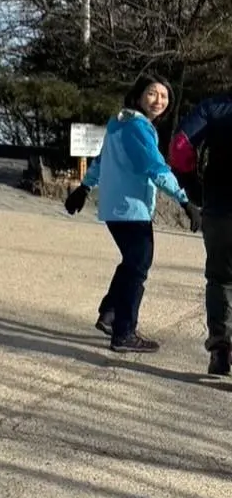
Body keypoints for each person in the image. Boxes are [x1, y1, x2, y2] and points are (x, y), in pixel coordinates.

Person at [65, 74, 198, 354]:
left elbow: (102, 161)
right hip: (132, 209)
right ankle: (124, 333)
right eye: (152, 93)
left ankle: (110, 314)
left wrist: (85, 187)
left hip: (114, 209)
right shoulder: (138, 128)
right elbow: (157, 168)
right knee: (138, 266)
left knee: (131, 262)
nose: (159, 101)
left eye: (164, 96)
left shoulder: (118, 123)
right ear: (139, 95)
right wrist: (185, 202)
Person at [166, 94, 231, 374]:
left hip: (220, 207)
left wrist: (193, 186)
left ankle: (220, 350)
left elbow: (180, 146)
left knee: (220, 279)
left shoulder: (213, 107)